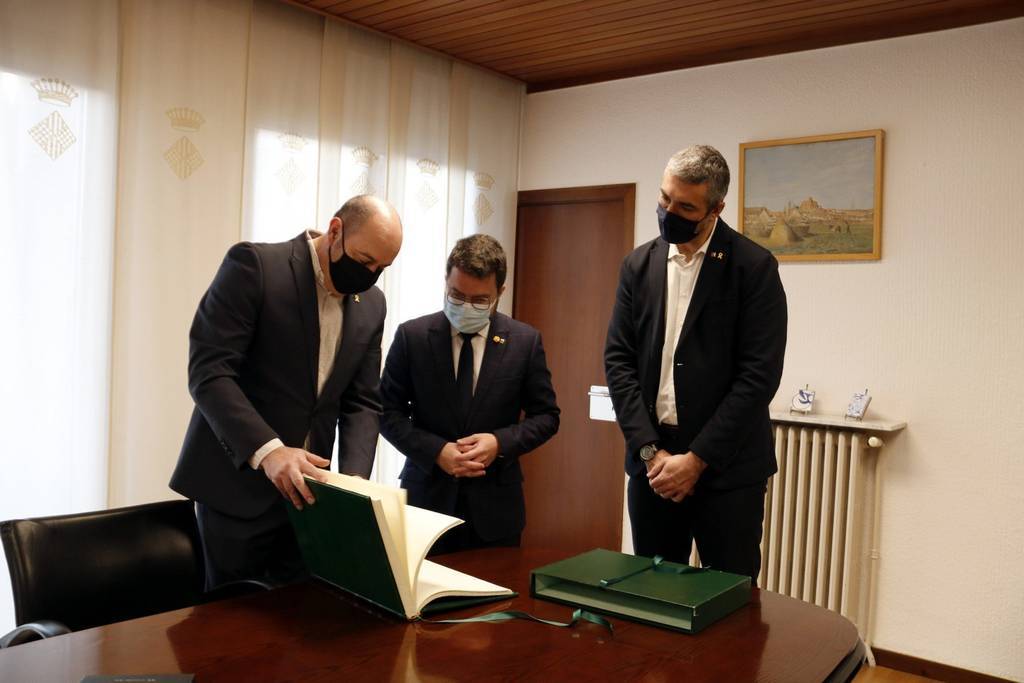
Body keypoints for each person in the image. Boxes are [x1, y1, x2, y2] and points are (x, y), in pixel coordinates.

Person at [170, 195, 403, 588]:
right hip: (237, 494)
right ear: (335, 231)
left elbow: (362, 401)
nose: (371, 274)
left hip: (310, 504)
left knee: (301, 616)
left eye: (382, 268)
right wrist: (271, 451)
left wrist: (354, 485)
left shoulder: (372, 304)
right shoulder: (256, 267)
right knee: (229, 621)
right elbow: (210, 373)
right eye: (365, 261)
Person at [604, 145, 787, 581]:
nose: (669, 212)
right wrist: (650, 452)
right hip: (653, 466)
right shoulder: (638, 265)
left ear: (716, 208)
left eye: (685, 207)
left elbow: (758, 377)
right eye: (665, 198)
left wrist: (697, 459)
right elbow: (618, 361)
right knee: (654, 594)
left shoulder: (753, 268)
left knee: (729, 601)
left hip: (727, 471)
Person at [380, 235, 559, 554]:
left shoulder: (524, 342)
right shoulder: (413, 337)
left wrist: (499, 443)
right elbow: (386, 412)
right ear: (446, 281)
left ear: (500, 293)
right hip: (426, 503)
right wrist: (437, 451)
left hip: (495, 511)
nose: (465, 306)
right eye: (457, 295)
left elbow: (546, 416)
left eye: (479, 300)